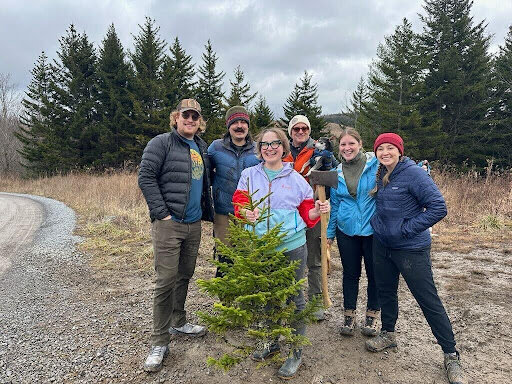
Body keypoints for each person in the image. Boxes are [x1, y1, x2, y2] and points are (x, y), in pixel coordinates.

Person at [365, 133, 465, 384]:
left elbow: (438, 207)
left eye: (390, 148)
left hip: (410, 248)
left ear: (400, 150)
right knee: (386, 292)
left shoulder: (414, 174)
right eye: (380, 148)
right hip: (383, 245)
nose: (385, 152)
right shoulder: (381, 172)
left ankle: (450, 354)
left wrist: (407, 229)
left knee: (427, 299)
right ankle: (388, 334)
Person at [232, 127, 330, 379]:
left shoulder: (296, 178)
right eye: (265, 144)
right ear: (259, 149)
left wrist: (319, 211)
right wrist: (245, 213)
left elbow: (308, 214)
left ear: (284, 148)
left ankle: (296, 351)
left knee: (295, 299)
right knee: (267, 296)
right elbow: (239, 203)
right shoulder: (249, 175)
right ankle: (271, 341)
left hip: (292, 246)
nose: (270, 148)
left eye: (275, 143)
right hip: (261, 247)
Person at [138, 98, 214, 373]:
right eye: (186, 115)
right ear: (176, 118)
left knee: (184, 274)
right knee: (165, 280)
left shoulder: (202, 148)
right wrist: (162, 214)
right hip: (169, 224)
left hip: (194, 224)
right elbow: (145, 177)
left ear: (199, 121)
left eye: (195, 116)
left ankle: (178, 321)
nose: (190, 120)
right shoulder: (161, 143)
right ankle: (159, 341)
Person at [326, 127, 381, 337]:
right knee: (350, 274)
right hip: (346, 230)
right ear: (339, 148)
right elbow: (336, 205)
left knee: (374, 274)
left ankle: (372, 316)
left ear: (360, 144)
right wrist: (330, 233)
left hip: (372, 230)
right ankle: (349, 316)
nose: (347, 148)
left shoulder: (375, 165)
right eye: (343, 144)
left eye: (351, 143)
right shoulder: (337, 172)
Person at [282, 115, 327, 320]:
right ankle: (291, 298)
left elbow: (331, 177)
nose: (300, 132)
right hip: (288, 212)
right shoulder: (281, 151)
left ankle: (316, 300)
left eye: (304, 129)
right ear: (290, 131)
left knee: (315, 259)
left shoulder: (318, 151)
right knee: (287, 258)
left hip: (313, 208)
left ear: (309, 131)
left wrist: (328, 162)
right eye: (296, 129)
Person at [208, 106, 260, 276]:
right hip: (224, 212)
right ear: (228, 125)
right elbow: (205, 173)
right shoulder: (215, 148)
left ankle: (247, 301)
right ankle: (226, 301)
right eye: (235, 122)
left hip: (251, 213)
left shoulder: (258, 150)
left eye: (243, 122)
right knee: (225, 258)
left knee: (249, 257)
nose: (239, 126)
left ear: (248, 126)